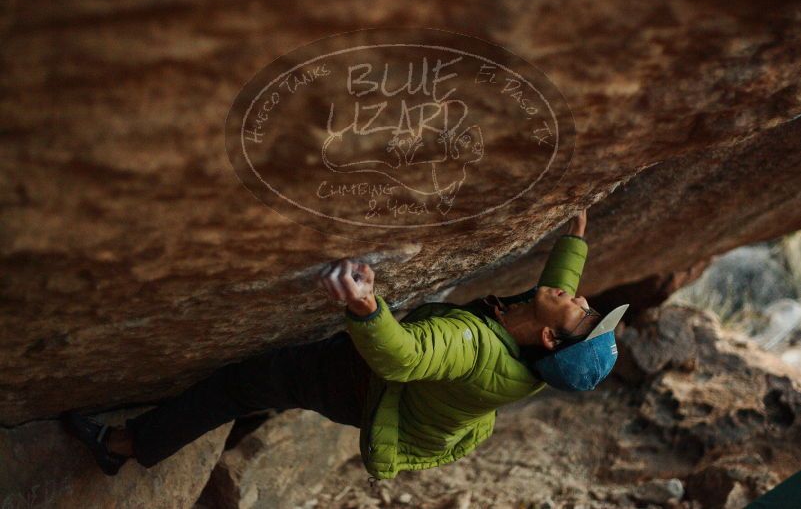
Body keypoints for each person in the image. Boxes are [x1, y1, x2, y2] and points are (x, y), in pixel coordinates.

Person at [61, 209, 628, 483]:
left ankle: (125, 445)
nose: (581, 299)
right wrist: (572, 242)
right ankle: (253, 409)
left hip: (364, 383)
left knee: (241, 385)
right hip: (377, 394)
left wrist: (365, 307)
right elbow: (557, 295)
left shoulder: (473, 346)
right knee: (270, 386)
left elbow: (403, 356)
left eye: (583, 313)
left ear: (551, 336)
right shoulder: (539, 352)